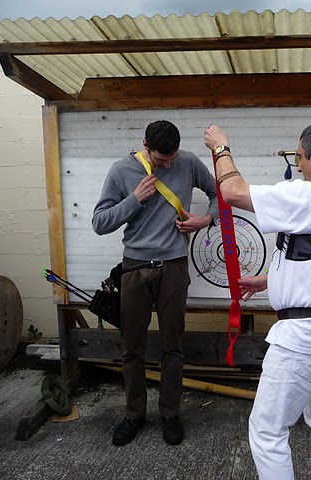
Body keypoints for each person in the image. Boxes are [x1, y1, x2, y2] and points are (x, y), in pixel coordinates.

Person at [204, 121, 311, 479]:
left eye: (300, 156)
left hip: (303, 339)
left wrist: (220, 148)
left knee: (268, 432)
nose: (300, 164)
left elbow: (232, 192)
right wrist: (270, 280)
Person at [92, 120, 218, 447]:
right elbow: (99, 222)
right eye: (163, 159)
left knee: (172, 346)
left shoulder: (188, 161)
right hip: (134, 268)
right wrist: (134, 199)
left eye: (173, 157)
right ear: (146, 145)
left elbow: (219, 192)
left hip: (174, 267)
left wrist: (206, 219)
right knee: (131, 347)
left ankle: (170, 413)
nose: (170, 165)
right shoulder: (121, 170)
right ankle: (134, 414)